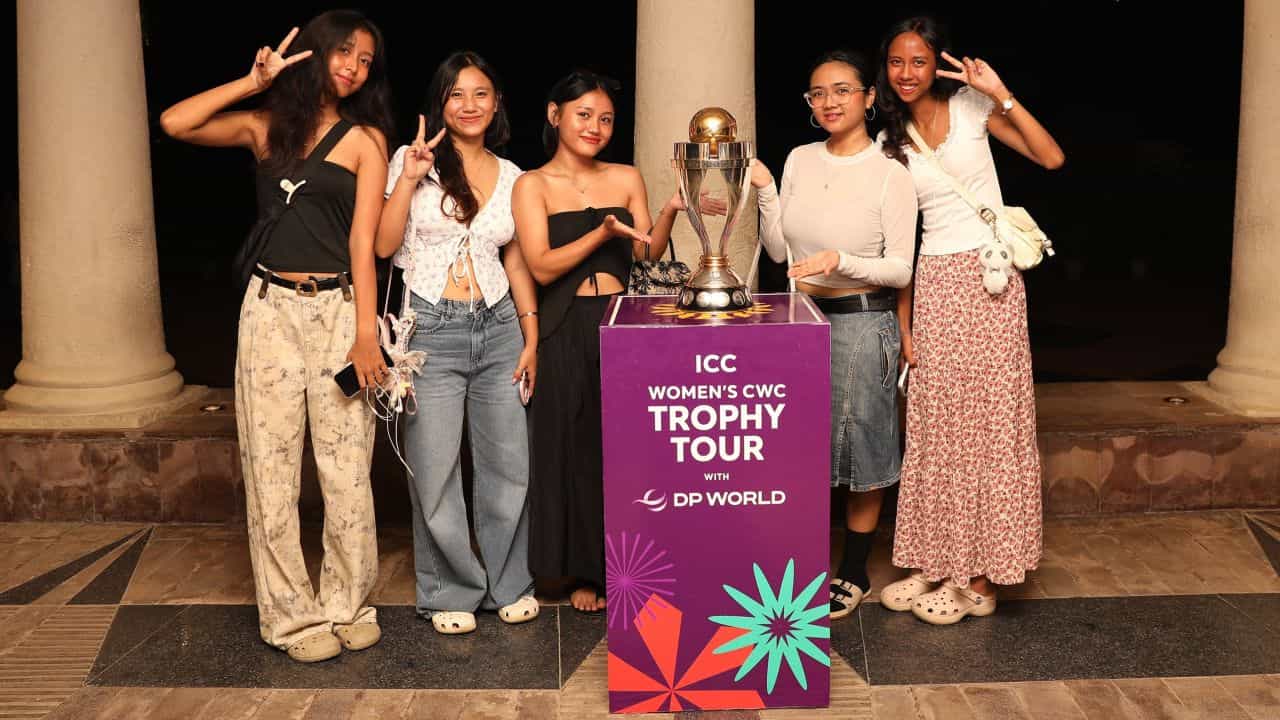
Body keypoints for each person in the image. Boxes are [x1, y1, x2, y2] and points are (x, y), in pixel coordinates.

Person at [159, 10, 393, 662]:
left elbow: (363, 246)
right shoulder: (263, 127)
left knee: (347, 470)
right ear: (313, 52)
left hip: (340, 310)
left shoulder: (365, 142)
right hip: (269, 312)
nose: (352, 65)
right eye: (343, 50)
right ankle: (291, 618)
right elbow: (176, 123)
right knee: (272, 471)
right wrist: (250, 80)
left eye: (366, 59)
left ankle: (349, 603)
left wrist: (367, 335)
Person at [874, 15, 1064, 624]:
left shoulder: (971, 108)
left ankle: (982, 578)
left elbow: (1050, 157)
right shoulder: (889, 141)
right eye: (897, 62)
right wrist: (904, 326)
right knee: (936, 427)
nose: (907, 73)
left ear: (938, 64)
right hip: (933, 282)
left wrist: (999, 92)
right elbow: (899, 242)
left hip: (990, 279)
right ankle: (938, 561)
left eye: (919, 61)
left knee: (989, 428)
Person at [512, 70, 720, 613]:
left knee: (619, 447)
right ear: (555, 115)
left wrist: (674, 207)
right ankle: (573, 569)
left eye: (605, 118)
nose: (596, 127)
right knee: (564, 446)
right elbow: (540, 263)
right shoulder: (531, 184)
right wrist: (600, 233)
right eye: (584, 115)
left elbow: (646, 254)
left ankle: (614, 568)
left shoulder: (626, 176)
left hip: (622, 322)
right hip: (561, 324)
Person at [375, 51, 540, 636]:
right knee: (436, 467)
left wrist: (531, 336)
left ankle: (509, 582)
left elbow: (517, 261)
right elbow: (382, 243)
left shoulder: (515, 175)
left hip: (498, 325)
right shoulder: (411, 159)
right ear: (439, 102)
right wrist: (412, 178)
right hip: (430, 331)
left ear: (496, 104)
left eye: (480, 94)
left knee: (507, 465)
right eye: (456, 94)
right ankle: (449, 589)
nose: (468, 105)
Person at [752, 49, 917, 620]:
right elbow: (778, 251)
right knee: (799, 448)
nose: (829, 102)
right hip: (800, 322)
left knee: (861, 449)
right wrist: (769, 189)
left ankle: (852, 572)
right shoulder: (799, 157)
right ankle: (801, 559)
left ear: (870, 97)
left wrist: (839, 260)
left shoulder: (890, 174)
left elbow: (901, 268)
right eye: (818, 93)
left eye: (842, 90)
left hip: (862, 321)